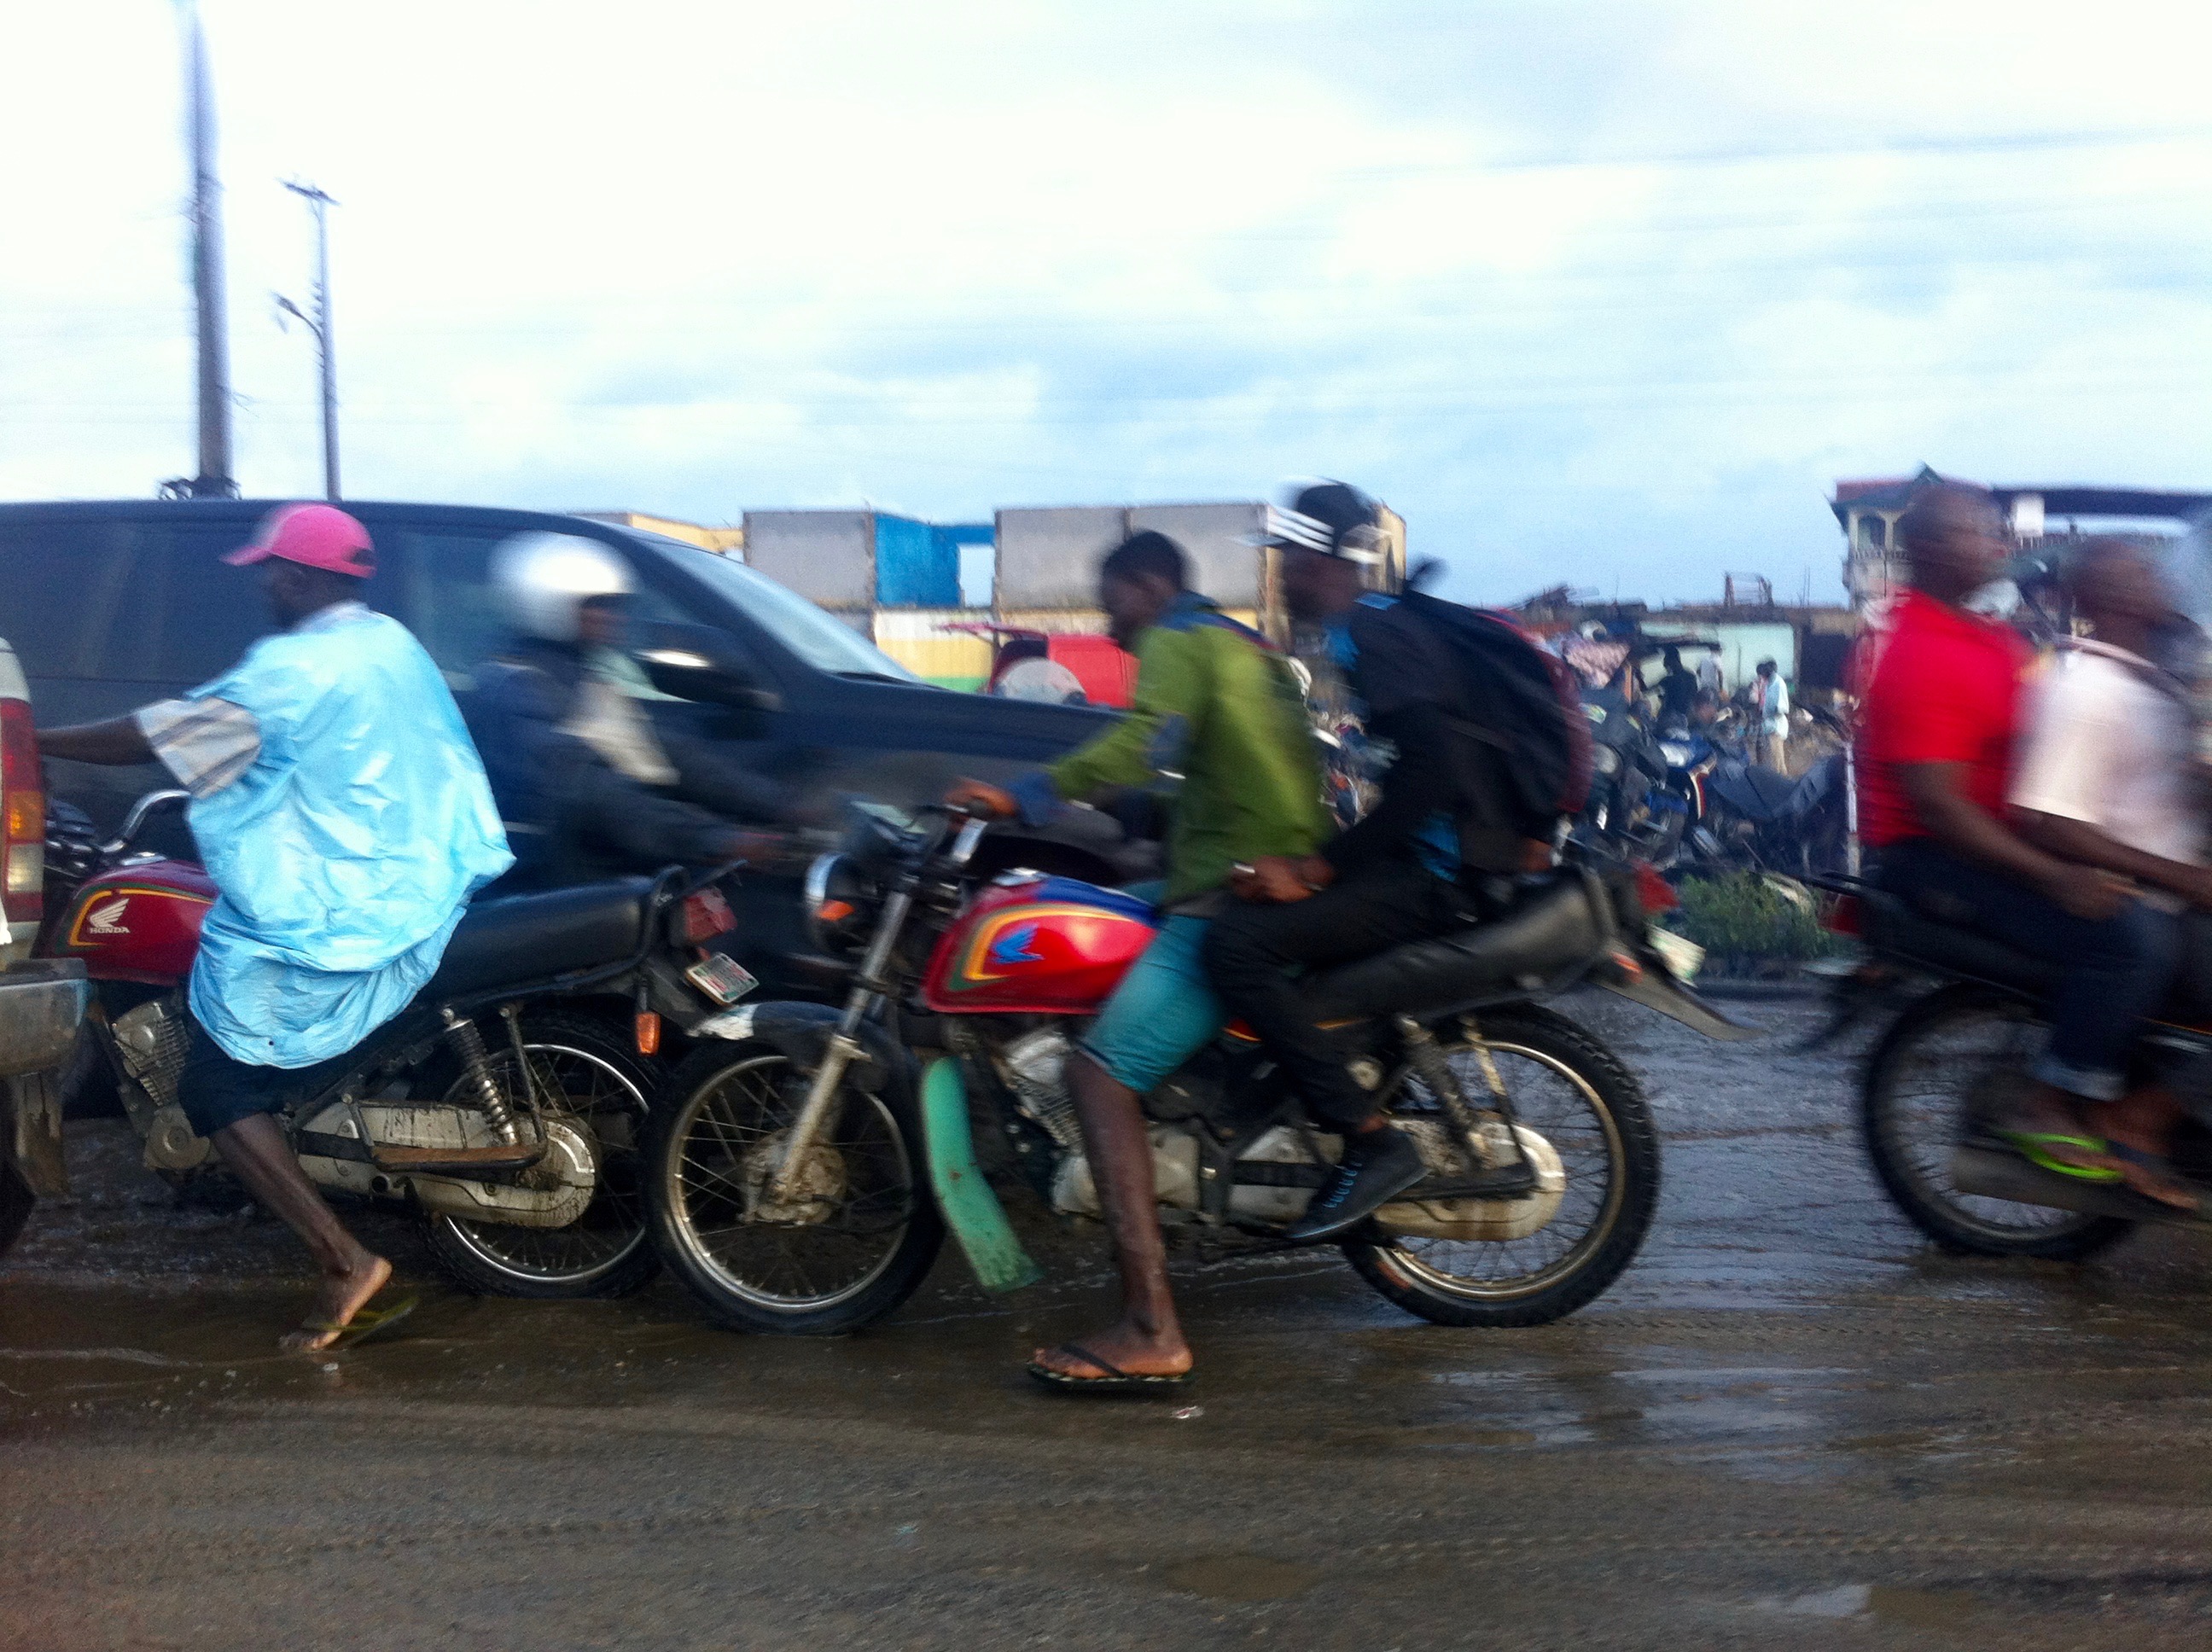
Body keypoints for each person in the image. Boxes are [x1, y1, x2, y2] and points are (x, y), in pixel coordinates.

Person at [38, 504, 512, 1349]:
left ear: (297, 575)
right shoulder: (389, 645)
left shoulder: (293, 671)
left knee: (216, 1087)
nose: (263, 585)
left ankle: (344, 1262)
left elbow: (167, 738)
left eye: (269, 571)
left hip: (351, 910)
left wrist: (32, 743)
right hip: (427, 878)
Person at [945, 531, 1328, 1389]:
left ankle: (1152, 1325)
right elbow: (1197, 770)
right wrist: (1144, 822)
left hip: (1236, 898)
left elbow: (1140, 744)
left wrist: (1023, 794)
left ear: (1150, 585)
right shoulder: (1244, 647)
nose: (1108, 621)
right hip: (1281, 874)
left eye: (1113, 598)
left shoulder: (1177, 643)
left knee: (1098, 1074)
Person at [1204, 483, 1556, 1241]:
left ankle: (1372, 1140)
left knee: (1237, 946)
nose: (1280, 575)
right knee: (1257, 916)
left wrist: (1319, 869)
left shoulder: (1371, 633)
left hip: (1439, 875)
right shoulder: (1372, 627)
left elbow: (1426, 773)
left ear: (1315, 559)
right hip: (1433, 858)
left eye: (1287, 558)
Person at [1858, 482, 2177, 1195]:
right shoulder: (1917, 651)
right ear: (1934, 550)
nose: (1999, 544)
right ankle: (2047, 1102)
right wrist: (2055, 875)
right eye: (1981, 533)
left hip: (1992, 842)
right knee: (2132, 940)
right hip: (1935, 860)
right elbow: (1941, 810)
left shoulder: (1984, 633)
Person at [2009, 538, 2207, 1207]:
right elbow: (2051, 819)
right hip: (2143, 900)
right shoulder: (2084, 688)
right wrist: (2180, 877)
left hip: (2179, 897)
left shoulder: (2152, 682)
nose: (2163, 582)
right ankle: (2122, 1115)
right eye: (2143, 574)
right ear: (2114, 598)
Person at [467, 533, 810, 887]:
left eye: (615, 604)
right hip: (555, 883)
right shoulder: (515, 688)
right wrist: (715, 839)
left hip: (611, 864)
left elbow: (665, 754)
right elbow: (591, 791)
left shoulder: (584, 679)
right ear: (546, 605)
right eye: (597, 604)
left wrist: (780, 803)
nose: (611, 616)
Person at [1754, 658, 1791, 771]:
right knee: (1779, 759)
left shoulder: (1777, 684)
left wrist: (1768, 712)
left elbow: (1781, 708)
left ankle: (1779, 784)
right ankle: (1784, 783)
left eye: (1762, 675)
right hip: (1771, 724)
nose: (1761, 678)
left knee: (1777, 762)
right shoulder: (1770, 683)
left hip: (1776, 725)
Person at [1655, 646, 1698, 727]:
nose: (1665, 666)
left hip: (1671, 720)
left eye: (1667, 664)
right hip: (1686, 719)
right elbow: (1694, 697)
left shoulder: (1668, 680)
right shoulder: (1691, 677)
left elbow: (1648, 691)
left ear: (1674, 661)